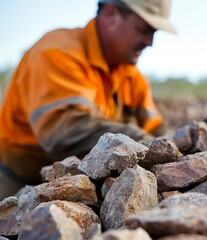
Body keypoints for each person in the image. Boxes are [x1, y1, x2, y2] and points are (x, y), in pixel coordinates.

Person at [0, 0, 176, 199]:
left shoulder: (131, 76)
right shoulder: (56, 53)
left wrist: (170, 148)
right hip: (20, 180)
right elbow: (63, 130)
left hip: (83, 182)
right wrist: (141, 141)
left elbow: (154, 130)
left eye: (154, 33)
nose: (149, 42)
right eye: (143, 29)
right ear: (111, 13)